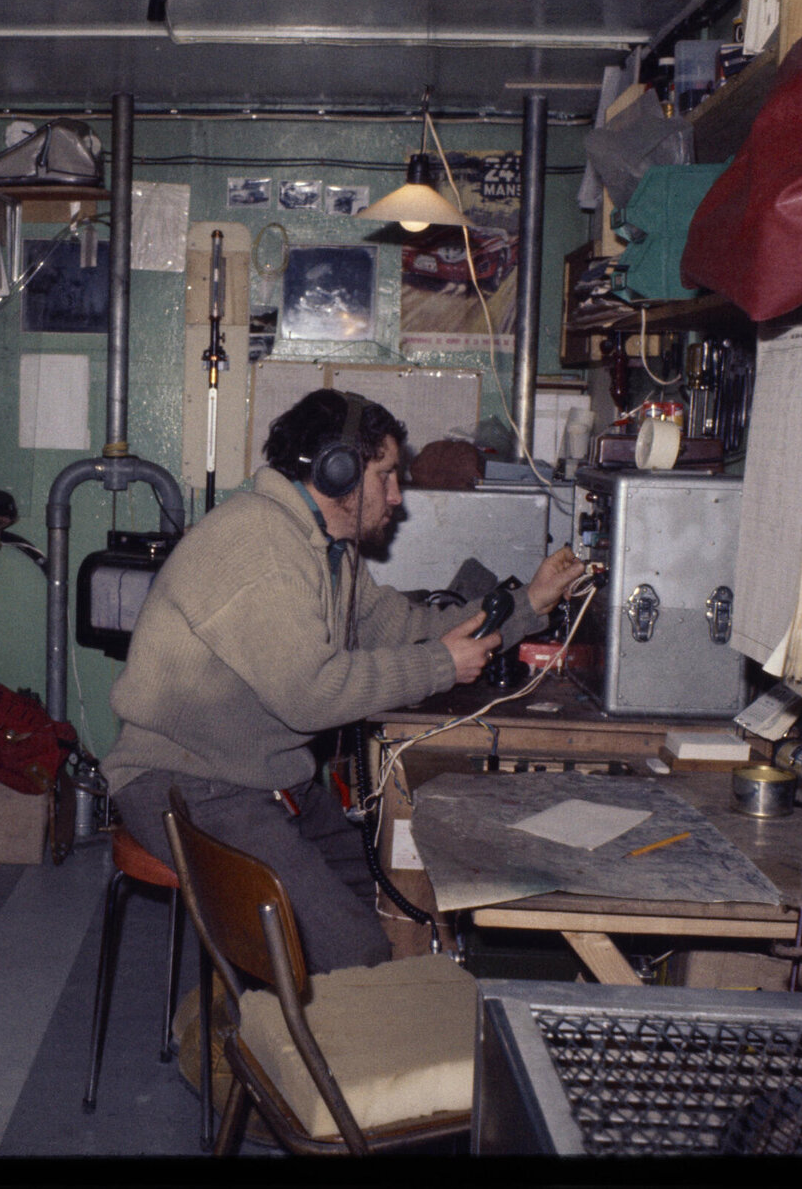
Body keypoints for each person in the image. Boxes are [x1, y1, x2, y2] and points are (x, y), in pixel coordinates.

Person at [104, 389, 584, 973]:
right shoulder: (258, 543)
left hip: (261, 778)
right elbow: (311, 694)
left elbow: (408, 627)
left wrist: (526, 604)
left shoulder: (328, 549)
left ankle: (321, 1024)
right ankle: (293, 1044)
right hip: (187, 782)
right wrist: (440, 664)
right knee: (350, 951)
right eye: (385, 476)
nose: (397, 497)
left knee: (399, 901)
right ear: (338, 471)